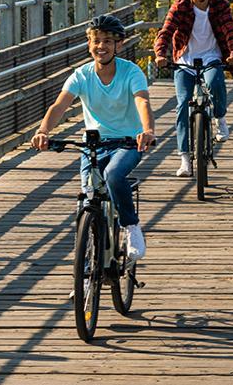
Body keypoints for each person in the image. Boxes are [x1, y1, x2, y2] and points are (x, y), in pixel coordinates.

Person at [31, 14, 156, 263]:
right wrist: (43, 130)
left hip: (128, 141)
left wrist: (148, 130)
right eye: (96, 40)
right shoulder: (82, 75)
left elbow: (142, 100)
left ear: (119, 45)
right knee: (88, 202)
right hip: (94, 144)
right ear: (89, 44)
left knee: (113, 175)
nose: (101, 46)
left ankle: (131, 227)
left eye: (108, 41)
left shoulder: (131, 72)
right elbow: (59, 105)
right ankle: (87, 274)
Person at [154, 0, 233, 177]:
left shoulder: (219, 5)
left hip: (211, 56)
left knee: (214, 82)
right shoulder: (180, 7)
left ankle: (220, 118)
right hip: (185, 59)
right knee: (183, 104)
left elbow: (230, 29)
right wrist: (160, 54)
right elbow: (166, 32)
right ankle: (185, 158)